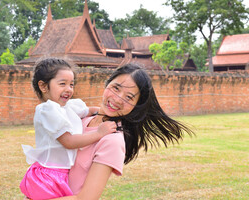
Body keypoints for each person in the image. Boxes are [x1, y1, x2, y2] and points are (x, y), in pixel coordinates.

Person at [55, 63, 194, 200]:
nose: (117, 99)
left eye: (129, 97)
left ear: (136, 106)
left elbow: (85, 199)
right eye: (116, 88)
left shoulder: (112, 141)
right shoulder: (82, 117)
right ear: (107, 83)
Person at [20, 57, 117, 200]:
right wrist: (99, 133)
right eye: (62, 84)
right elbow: (68, 141)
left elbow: (89, 110)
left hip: (63, 174)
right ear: (43, 86)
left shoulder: (67, 107)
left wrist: (106, 112)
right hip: (49, 176)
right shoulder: (47, 110)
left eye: (71, 84)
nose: (68, 89)